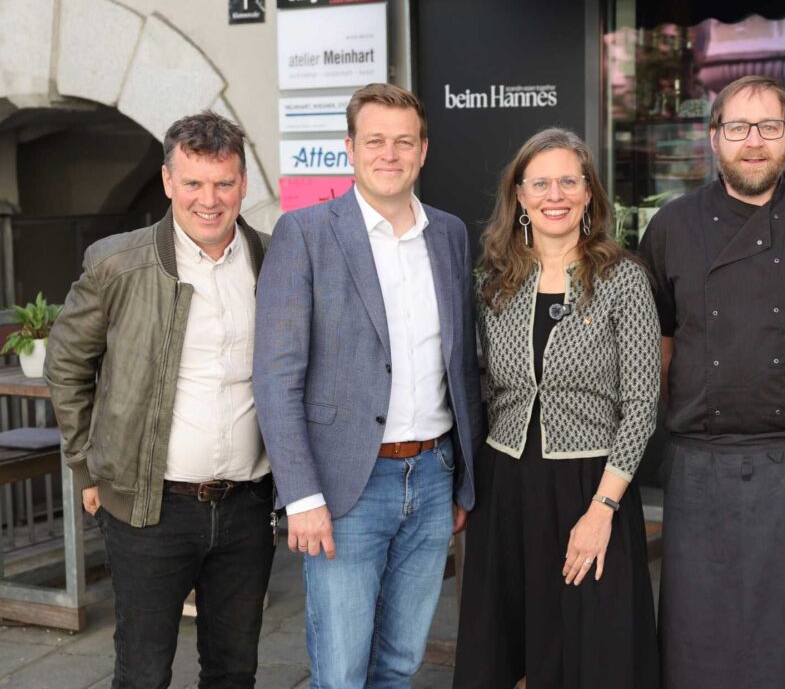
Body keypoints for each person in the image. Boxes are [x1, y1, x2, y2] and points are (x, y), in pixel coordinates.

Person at [638, 75, 785, 689]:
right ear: (714, 140)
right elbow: (659, 338)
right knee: (700, 626)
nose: (753, 142)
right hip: (701, 460)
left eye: (769, 127)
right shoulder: (671, 227)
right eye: (738, 128)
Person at [252, 83, 482, 688]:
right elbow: (276, 377)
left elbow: (461, 366)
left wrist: (462, 478)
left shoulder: (451, 235)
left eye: (403, 141)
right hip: (344, 486)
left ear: (423, 151)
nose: (390, 153)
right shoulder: (304, 233)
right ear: (349, 149)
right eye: (375, 140)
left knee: (401, 662)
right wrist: (300, 496)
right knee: (342, 669)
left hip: (432, 478)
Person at [44, 111, 274, 688]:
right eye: (193, 183)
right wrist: (85, 467)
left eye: (223, 183)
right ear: (168, 181)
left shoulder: (274, 260)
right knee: (144, 672)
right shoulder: (116, 262)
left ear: (243, 183)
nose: (209, 199)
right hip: (150, 509)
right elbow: (66, 363)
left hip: (248, 508)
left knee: (234, 671)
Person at [453, 127, 662, 688]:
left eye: (569, 181)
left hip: (591, 486)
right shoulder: (492, 282)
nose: (556, 194)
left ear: (589, 193)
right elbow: (479, 390)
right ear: (519, 196)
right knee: (510, 639)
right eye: (540, 182)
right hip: (508, 486)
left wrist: (601, 511)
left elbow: (642, 404)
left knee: (592, 649)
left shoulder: (624, 280)